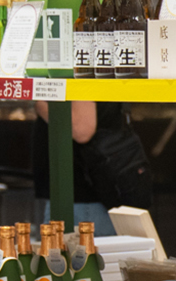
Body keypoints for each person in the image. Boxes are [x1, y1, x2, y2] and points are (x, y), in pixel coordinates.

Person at [32, 100, 153, 234]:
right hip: (91, 197)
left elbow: (81, 130)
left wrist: (39, 102)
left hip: (83, 200)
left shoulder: (81, 84)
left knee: (73, 247)